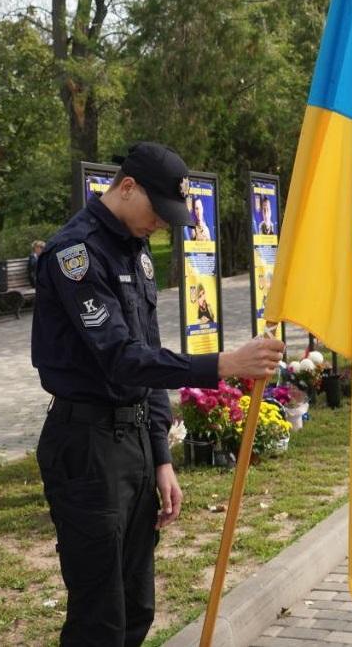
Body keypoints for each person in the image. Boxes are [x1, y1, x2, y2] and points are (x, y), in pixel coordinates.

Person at [31, 141, 285, 646]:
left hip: (131, 445)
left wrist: (161, 458)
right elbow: (121, 357)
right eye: (159, 212)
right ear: (127, 188)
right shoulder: (75, 254)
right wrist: (224, 364)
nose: (163, 225)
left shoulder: (135, 251)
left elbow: (146, 360)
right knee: (99, 616)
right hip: (86, 446)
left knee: (136, 607)